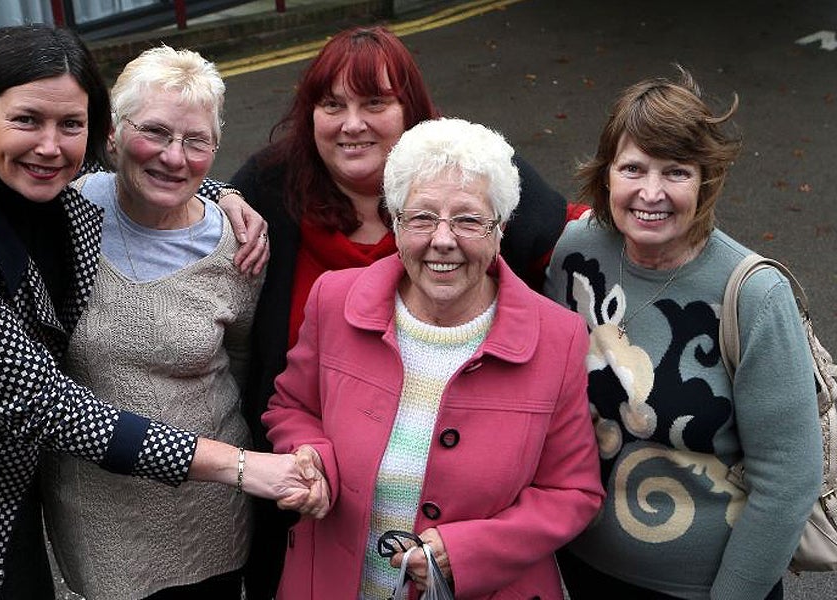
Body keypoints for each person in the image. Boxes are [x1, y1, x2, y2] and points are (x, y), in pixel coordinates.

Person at [0, 25, 323, 600]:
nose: (50, 145)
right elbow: (46, 404)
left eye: (70, 125)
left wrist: (222, 195)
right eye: (27, 119)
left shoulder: (32, 170)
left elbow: (161, 168)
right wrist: (242, 467)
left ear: (93, 131)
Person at [230, 25, 570, 598]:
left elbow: (568, 230)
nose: (352, 123)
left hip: (457, 512)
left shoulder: (465, 172)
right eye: (331, 104)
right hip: (303, 488)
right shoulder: (272, 182)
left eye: (375, 103)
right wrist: (221, 196)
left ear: (410, 110)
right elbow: (189, 189)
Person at [543, 66, 822, 600]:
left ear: (705, 181)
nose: (651, 192)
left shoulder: (755, 295)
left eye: (676, 171)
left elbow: (787, 480)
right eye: (633, 168)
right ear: (606, 176)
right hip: (578, 564)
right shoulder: (577, 250)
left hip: (704, 588)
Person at [40, 45, 263, 599]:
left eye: (197, 141)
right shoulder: (59, 213)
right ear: (112, 133)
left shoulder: (240, 246)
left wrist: (223, 192)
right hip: (100, 517)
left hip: (213, 511)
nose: (174, 157)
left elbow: (242, 359)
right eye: (156, 132)